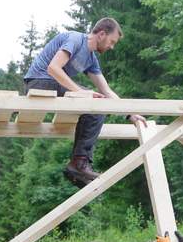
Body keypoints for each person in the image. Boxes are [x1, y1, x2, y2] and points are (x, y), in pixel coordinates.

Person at [24, 17, 146, 188]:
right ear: (102, 34)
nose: (112, 47)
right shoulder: (75, 39)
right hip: (39, 81)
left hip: (54, 86)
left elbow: (107, 91)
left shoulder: (91, 59)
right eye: (111, 42)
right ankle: (79, 164)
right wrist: (81, 93)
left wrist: (130, 114)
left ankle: (78, 164)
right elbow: (53, 68)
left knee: (98, 104)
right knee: (94, 103)